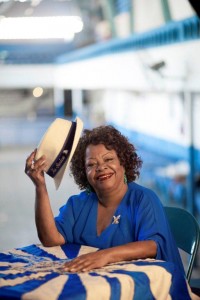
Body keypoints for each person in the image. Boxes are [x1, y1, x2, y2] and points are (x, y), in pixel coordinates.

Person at [25, 124, 185, 275]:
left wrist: (104, 256)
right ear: (84, 173)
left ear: (124, 162)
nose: (101, 167)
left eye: (108, 160)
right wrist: (40, 187)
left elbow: (152, 245)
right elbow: (50, 239)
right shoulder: (78, 204)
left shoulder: (143, 199)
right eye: (91, 164)